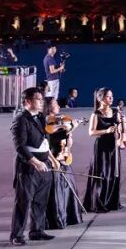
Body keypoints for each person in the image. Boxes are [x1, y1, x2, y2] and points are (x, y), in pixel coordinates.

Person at [10, 87, 56, 245]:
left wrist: (51, 160)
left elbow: (44, 140)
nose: (41, 102)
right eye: (38, 99)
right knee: (23, 202)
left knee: (41, 201)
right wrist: (36, 162)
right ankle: (17, 235)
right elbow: (20, 146)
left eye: (42, 99)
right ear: (27, 101)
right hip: (29, 167)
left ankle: (37, 231)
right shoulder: (21, 119)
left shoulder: (41, 117)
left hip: (44, 164)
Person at [43, 96, 83, 230]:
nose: (59, 106)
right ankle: (56, 218)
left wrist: (70, 131)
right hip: (53, 158)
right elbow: (49, 136)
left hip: (63, 156)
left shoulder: (58, 120)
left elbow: (68, 140)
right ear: (49, 107)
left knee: (67, 187)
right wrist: (69, 127)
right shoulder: (47, 122)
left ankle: (67, 216)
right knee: (56, 190)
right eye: (55, 104)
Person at [83, 88, 124, 212]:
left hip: (114, 145)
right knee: (102, 173)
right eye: (108, 96)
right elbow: (91, 132)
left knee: (114, 173)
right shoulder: (96, 114)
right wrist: (106, 131)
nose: (111, 98)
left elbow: (121, 128)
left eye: (112, 96)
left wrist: (122, 125)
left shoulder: (116, 112)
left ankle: (112, 202)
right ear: (100, 98)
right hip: (102, 146)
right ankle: (99, 202)